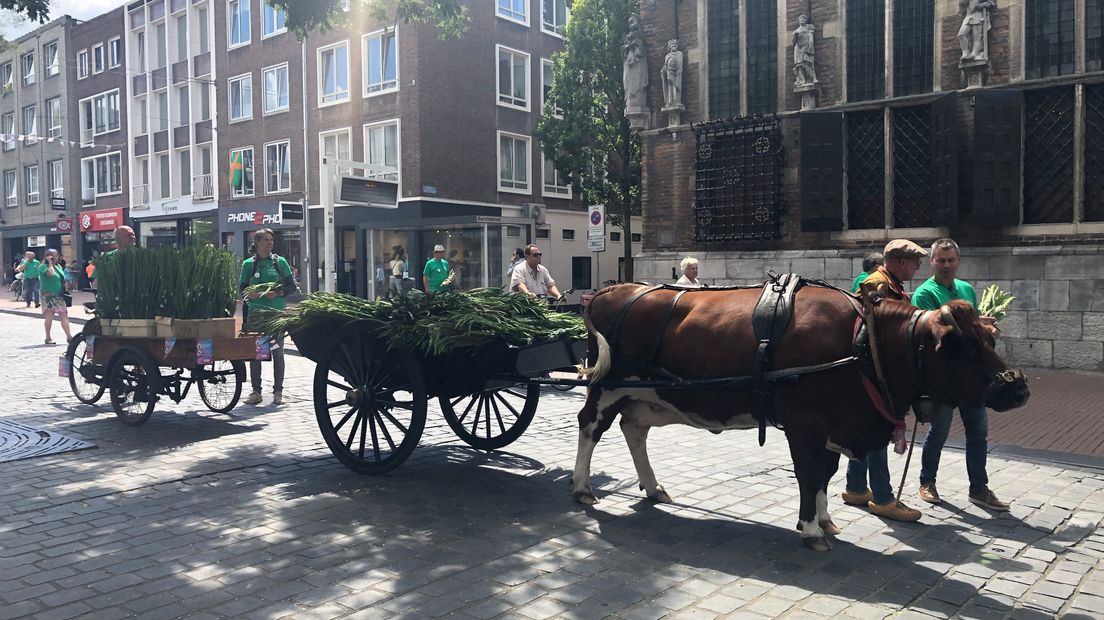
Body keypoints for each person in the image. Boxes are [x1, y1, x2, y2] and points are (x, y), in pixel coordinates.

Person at [914, 238, 1009, 511]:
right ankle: (927, 481)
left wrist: (985, 330)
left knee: (978, 432)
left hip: (972, 376)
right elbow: (932, 336)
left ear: (957, 261)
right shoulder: (924, 294)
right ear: (932, 262)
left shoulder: (966, 289)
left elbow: (972, 333)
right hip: (944, 377)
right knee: (939, 431)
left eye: (950, 260)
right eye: (940, 260)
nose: (946, 265)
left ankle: (979, 488)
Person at [842, 238, 927, 522]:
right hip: (873, 373)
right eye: (916, 263)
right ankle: (883, 497)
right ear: (902, 262)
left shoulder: (889, 283)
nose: (917, 268)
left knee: (867, 431)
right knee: (878, 431)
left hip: (873, 371)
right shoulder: (877, 286)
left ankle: (855, 488)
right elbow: (871, 335)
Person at [240, 228, 294, 406]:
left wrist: (278, 292)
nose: (270, 242)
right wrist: (251, 295)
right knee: (257, 353)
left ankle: (278, 392)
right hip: (256, 315)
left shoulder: (280, 262)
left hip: (275, 315)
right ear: (257, 243)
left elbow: (291, 286)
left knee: (277, 351)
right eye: (266, 240)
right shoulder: (249, 264)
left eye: (271, 240)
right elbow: (242, 289)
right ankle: (256, 392)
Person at [37, 249, 73, 345]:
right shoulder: (42, 267)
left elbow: (62, 277)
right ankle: (48, 337)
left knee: (64, 314)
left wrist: (65, 286)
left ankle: (69, 336)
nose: (56, 258)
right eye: (53, 256)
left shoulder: (58, 266)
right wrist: (49, 263)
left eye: (56, 256)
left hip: (58, 294)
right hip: (48, 295)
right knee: (49, 316)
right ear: (48, 256)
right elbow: (50, 274)